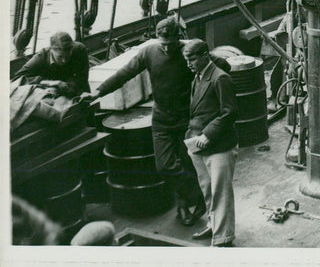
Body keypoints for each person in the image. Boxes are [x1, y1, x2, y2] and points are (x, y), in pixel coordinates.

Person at [86, 17, 206, 226]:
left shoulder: (188, 52)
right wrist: (98, 91)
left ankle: (184, 206)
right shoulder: (149, 52)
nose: (167, 48)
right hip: (161, 121)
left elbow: (216, 66)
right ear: (157, 39)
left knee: (187, 164)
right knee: (165, 166)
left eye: (172, 43)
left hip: (187, 119)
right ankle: (199, 194)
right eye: (163, 43)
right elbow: (125, 73)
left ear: (180, 37)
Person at [182, 39, 237, 247]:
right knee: (208, 190)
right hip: (199, 146)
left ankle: (223, 238)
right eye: (186, 60)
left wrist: (208, 134)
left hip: (218, 145)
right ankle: (214, 225)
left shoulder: (220, 78)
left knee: (220, 192)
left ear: (205, 55)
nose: (188, 64)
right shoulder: (197, 78)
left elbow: (229, 112)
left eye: (192, 59)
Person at [15, 32, 90, 97]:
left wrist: (69, 86)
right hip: (51, 92)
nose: (64, 61)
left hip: (76, 91)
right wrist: (51, 83)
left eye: (67, 56)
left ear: (72, 49)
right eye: (60, 57)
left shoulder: (80, 50)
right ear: (51, 50)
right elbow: (17, 79)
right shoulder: (41, 57)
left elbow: (82, 80)